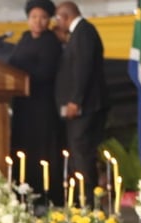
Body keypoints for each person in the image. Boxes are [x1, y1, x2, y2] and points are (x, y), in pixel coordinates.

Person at [9, 0, 64, 205]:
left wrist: (22, 76)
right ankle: (22, 193)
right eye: (34, 17)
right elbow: (10, 66)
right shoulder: (23, 38)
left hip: (42, 105)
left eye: (42, 18)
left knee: (42, 149)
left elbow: (46, 72)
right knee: (22, 150)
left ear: (49, 20)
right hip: (22, 105)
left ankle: (45, 197)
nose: (38, 22)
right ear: (28, 19)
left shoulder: (51, 41)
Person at [54, 2, 108, 196]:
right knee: (80, 153)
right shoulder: (81, 33)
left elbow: (82, 69)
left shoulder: (83, 32)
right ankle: (83, 197)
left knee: (82, 153)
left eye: (58, 19)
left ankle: (86, 199)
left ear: (65, 16)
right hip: (84, 104)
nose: (58, 23)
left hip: (84, 106)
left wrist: (75, 100)